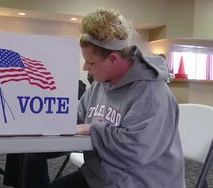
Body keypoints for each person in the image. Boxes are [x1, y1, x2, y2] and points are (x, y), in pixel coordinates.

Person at [49, 8, 185, 188]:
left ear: (113, 58)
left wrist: (92, 129)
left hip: (140, 181)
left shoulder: (151, 93)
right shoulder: (99, 85)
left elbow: (136, 149)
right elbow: (77, 116)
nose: (85, 68)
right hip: (101, 175)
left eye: (90, 62)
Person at [3, 80, 86, 188]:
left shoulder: (65, 74)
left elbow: (79, 89)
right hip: (42, 124)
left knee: (30, 149)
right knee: (22, 141)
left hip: (70, 131)